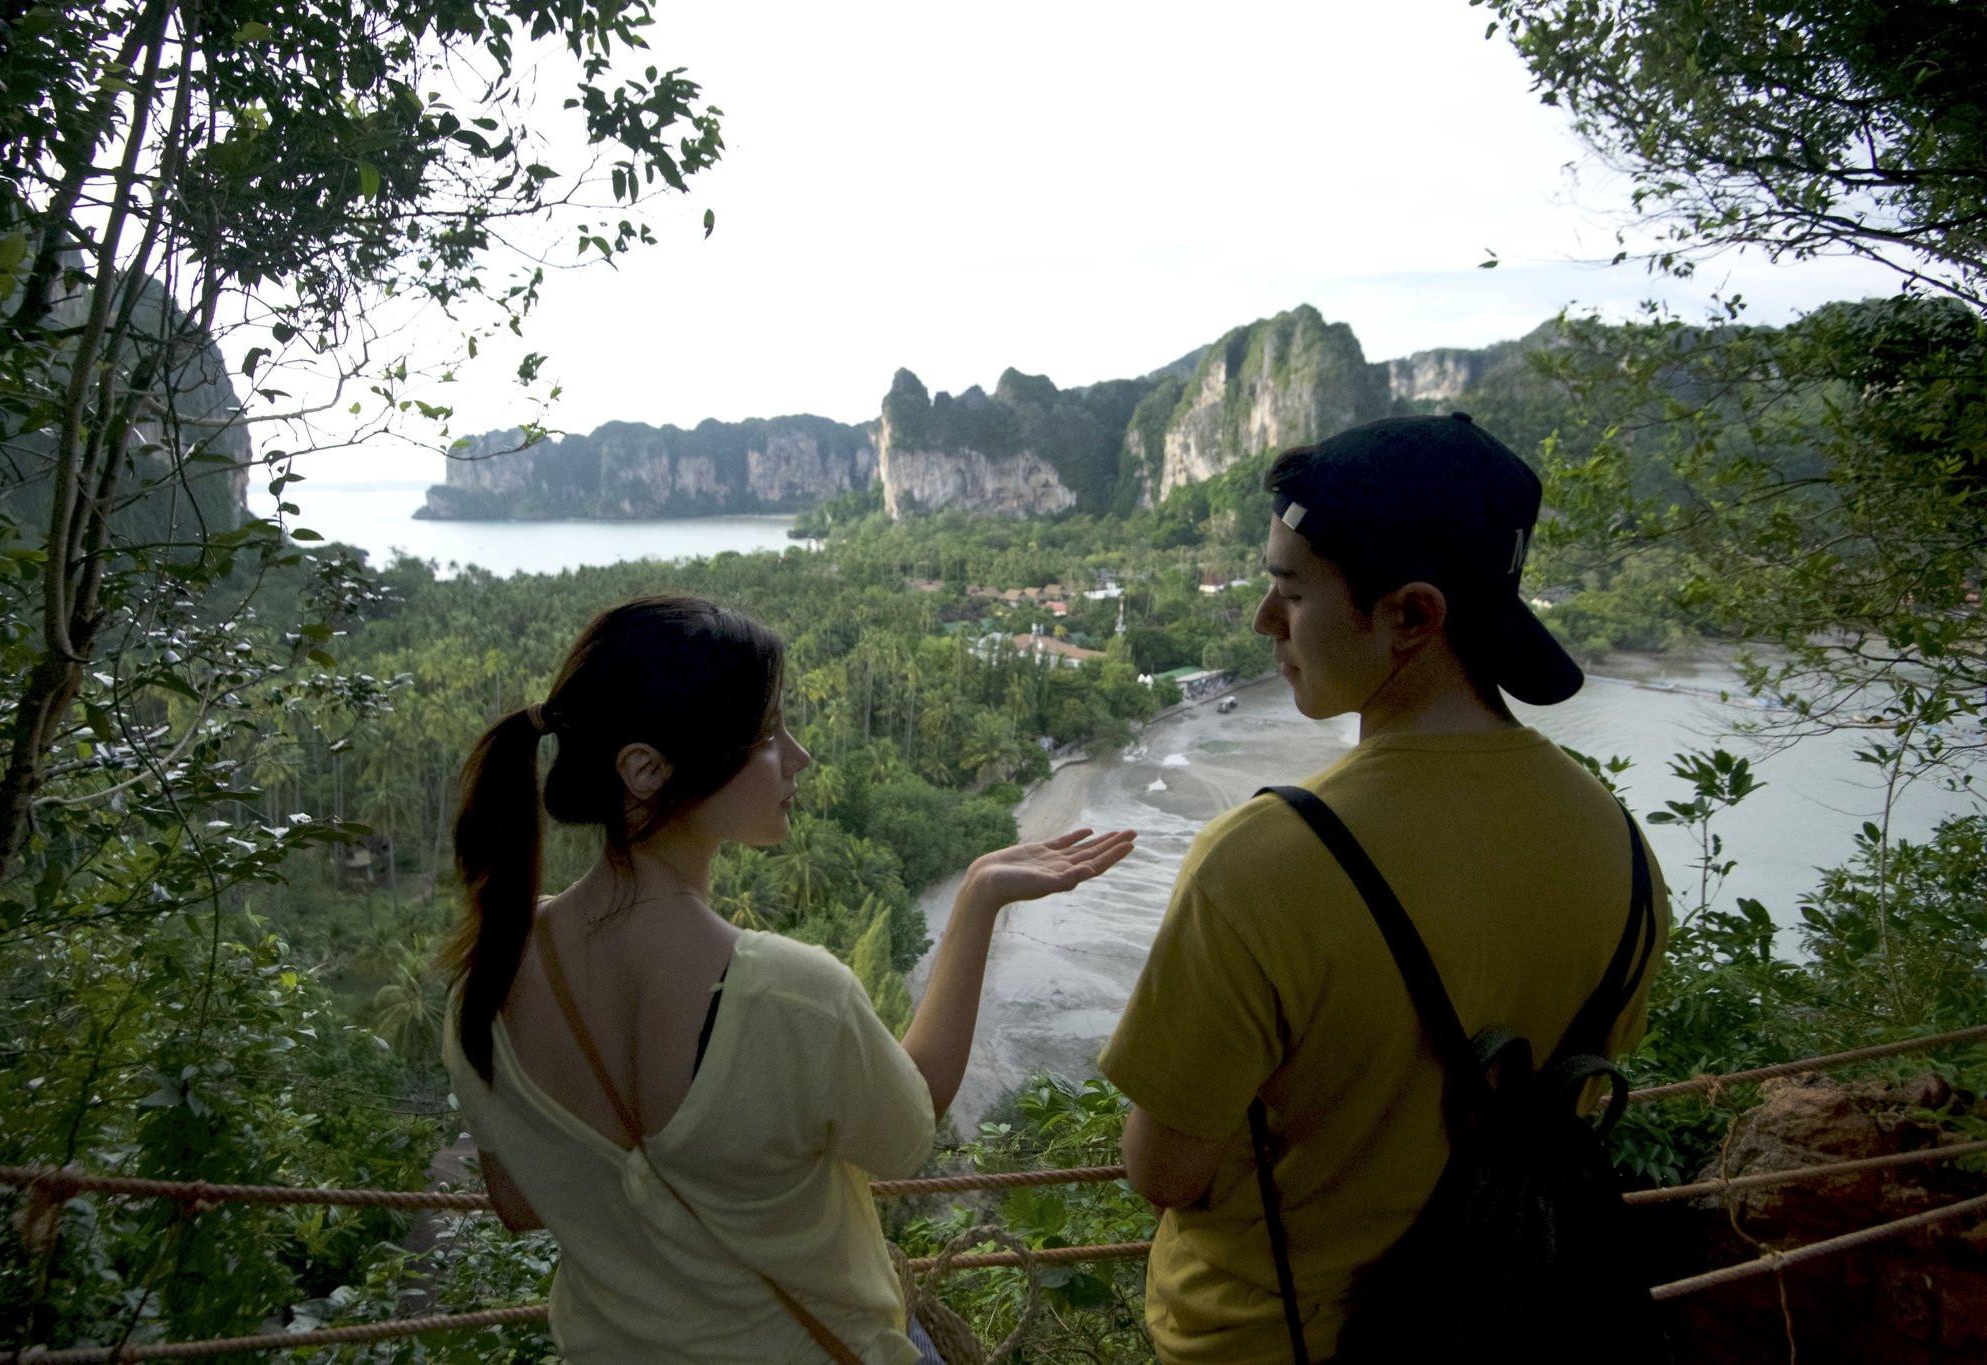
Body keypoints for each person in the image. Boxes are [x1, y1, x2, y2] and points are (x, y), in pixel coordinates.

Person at [1099, 414, 1670, 1362]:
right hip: (1510, 1322)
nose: (1263, 622)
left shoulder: (1262, 861)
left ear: (1412, 614)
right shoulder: (1620, 846)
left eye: (1289, 590)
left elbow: (1163, 1169)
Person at [439, 595, 1135, 1363]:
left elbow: (518, 1203)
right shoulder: (789, 994)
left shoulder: (488, 984)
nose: (798, 756)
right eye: (768, 733)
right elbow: (909, 1131)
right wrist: (976, 902)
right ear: (645, 769)